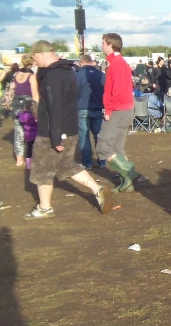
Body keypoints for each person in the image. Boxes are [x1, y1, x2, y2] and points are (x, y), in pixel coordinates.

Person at [24, 40, 110, 220]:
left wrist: (56, 137)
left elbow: (56, 107)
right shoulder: (67, 70)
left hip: (52, 131)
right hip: (69, 128)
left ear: (41, 54)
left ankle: (45, 208)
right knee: (67, 165)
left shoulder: (54, 76)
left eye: (34, 58)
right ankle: (97, 189)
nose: (34, 62)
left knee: (42, 169)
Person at [99, 33, 141, 194]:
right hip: (126, 108)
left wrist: (108, 109)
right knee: (117, 146)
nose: (101, 46)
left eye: (103, 43)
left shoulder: (116, 64)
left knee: (103, 146)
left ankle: (130, 173)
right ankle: (128, 182)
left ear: (111, 44)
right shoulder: (120, 62)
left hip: (118, 109)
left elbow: (115, 91)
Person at [76, 54, 105, 170]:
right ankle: (102, 161)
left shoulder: (78, 75)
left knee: (84, 137)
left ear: (81, 63)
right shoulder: (101, 75)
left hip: (82, 108)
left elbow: (75, 93)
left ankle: (87, 162)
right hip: (98, 107)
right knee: (99, 136)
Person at [10, 55, 39, 166]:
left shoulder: (16, 75)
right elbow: (35, 95)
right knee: (31, 133)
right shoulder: (31, 76)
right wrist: (37, 110)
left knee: (18, 134)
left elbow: (13, 89)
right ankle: (29, 161)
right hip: (28, 107)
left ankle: (19, 160)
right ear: (32, 62)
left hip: (17, 106)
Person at [17, 99, 37, 170]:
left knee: (28, 151)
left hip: (28, 136)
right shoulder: (34, 116)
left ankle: (28, 165)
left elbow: (20, 118)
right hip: (36, 136)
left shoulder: (23, 116)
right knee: (36, 150)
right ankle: (36, 163)